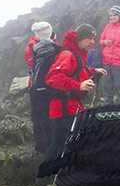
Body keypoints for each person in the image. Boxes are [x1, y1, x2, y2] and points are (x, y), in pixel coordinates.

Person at [44, 25, 106, 161]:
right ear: (80, 38)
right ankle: (46, 178)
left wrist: (94, 72)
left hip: (71, 106)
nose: (92, 42)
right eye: (89, 38)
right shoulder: (68, 54)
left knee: (66, 142)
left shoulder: (77, 54)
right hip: (63, 108)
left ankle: (61, 174)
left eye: (93, 38)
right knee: (59, 144)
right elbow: (53, 78)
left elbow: (78, 71)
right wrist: (79, 86)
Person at [25, 22, 53, 155]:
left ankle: (41, 146)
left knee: (38, 117)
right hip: (50, 87)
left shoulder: (31, 46)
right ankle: (48, 145)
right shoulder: (55, 47)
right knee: (48, 116)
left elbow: (30, 64)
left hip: (36, 86)